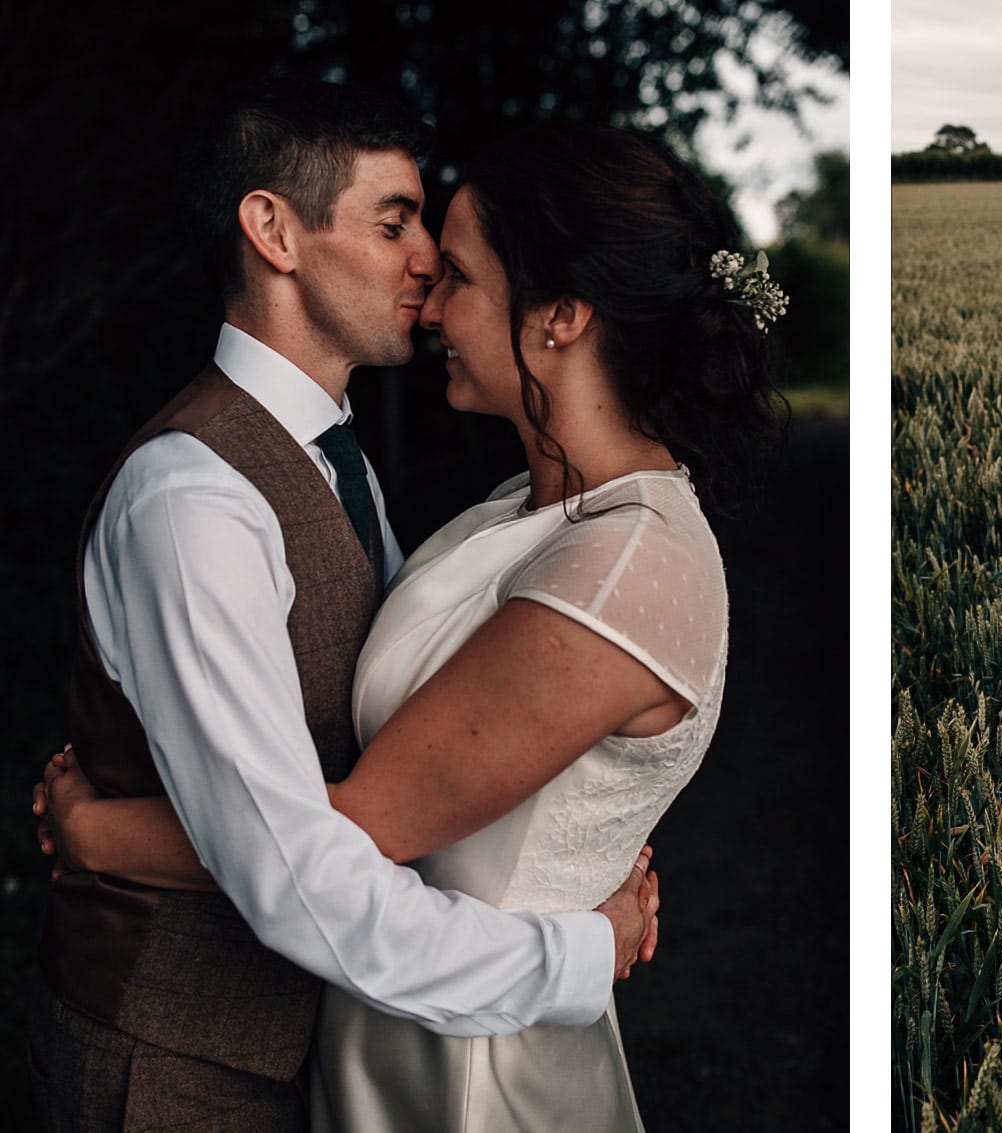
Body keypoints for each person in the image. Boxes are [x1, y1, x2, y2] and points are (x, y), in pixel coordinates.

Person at [26, 82, 667, 1131]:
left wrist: (106, 830)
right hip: (175, 1065)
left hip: (322, 1048)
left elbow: (378, 775)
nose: (429, 256)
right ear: (273, 230)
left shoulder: (334, 460)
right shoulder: (194, 500)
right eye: (394, 219)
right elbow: (293, 873)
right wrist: (576, 954)